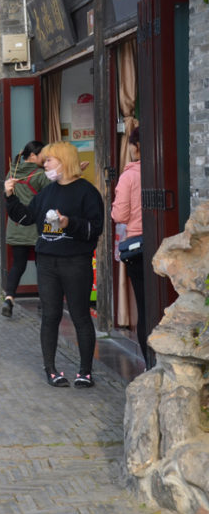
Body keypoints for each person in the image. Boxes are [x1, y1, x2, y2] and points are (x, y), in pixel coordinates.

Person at [5, 141, 104, 388]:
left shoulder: (87, 192)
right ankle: (51, 369)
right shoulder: (47, 192)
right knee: (50, 316)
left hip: (76, 262)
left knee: (80, 315)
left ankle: (85, 371)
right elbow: (26, 217)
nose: (44, 164)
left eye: (49, 160)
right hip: (47, 262)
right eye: (45, 160)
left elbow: (95, 228)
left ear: (64, 161)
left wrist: (69, 222)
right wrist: (10, 197)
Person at [112, 127, 148, 366]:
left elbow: (119, 214)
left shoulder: (130, 175)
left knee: (145, 307)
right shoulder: (162, 168)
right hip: (168, 245)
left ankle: (150, 363)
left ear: (134, 146)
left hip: (138, 246)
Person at [3, 141, 49, 317]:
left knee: (18, 265)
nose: (44, 159)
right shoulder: (40, 176)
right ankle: (44, 302)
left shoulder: (12, 172)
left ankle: (9, 298)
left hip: (16, 227)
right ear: (32, 156)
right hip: (36, 227)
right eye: (42, 155)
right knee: (42, 265)